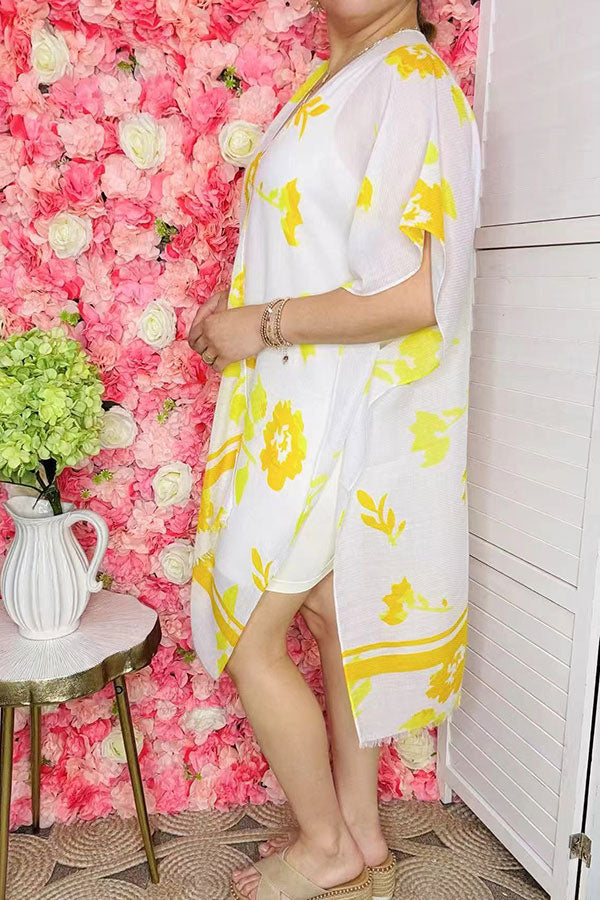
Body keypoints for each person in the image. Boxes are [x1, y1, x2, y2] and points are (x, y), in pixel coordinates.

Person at [188, 1, 481, 897]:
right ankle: (360, 830)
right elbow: (317, 245)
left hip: (337, 414)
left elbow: (421, 294)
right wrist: (247, 318)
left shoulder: (410, 77)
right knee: (328, 612)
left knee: (252, 635)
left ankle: (323, 848)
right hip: (292, 408)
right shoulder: (337, 82)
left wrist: (260, 325)